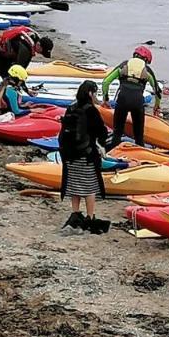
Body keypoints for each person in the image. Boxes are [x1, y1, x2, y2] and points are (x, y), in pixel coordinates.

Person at [58, 80, 109, 232]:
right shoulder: (91, 110)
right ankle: (90, 216)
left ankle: (75, 214)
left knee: (74, 185)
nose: (96, 97)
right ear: (90, 94)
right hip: (86, 155)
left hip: (69, 155)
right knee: (89, 186)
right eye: (95, 93)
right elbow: (101, 131)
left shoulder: (71, 108)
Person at [103, 45, 161, 149]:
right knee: (139, 137)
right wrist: (156, 107)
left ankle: (113, 154)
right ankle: (140, 155)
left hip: (122, 101)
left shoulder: (124, 65)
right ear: (146, 60)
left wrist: (106, 100)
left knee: (117, 133)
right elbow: (158, 92)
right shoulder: (147, 69)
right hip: (137, 103)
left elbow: (106, 82)